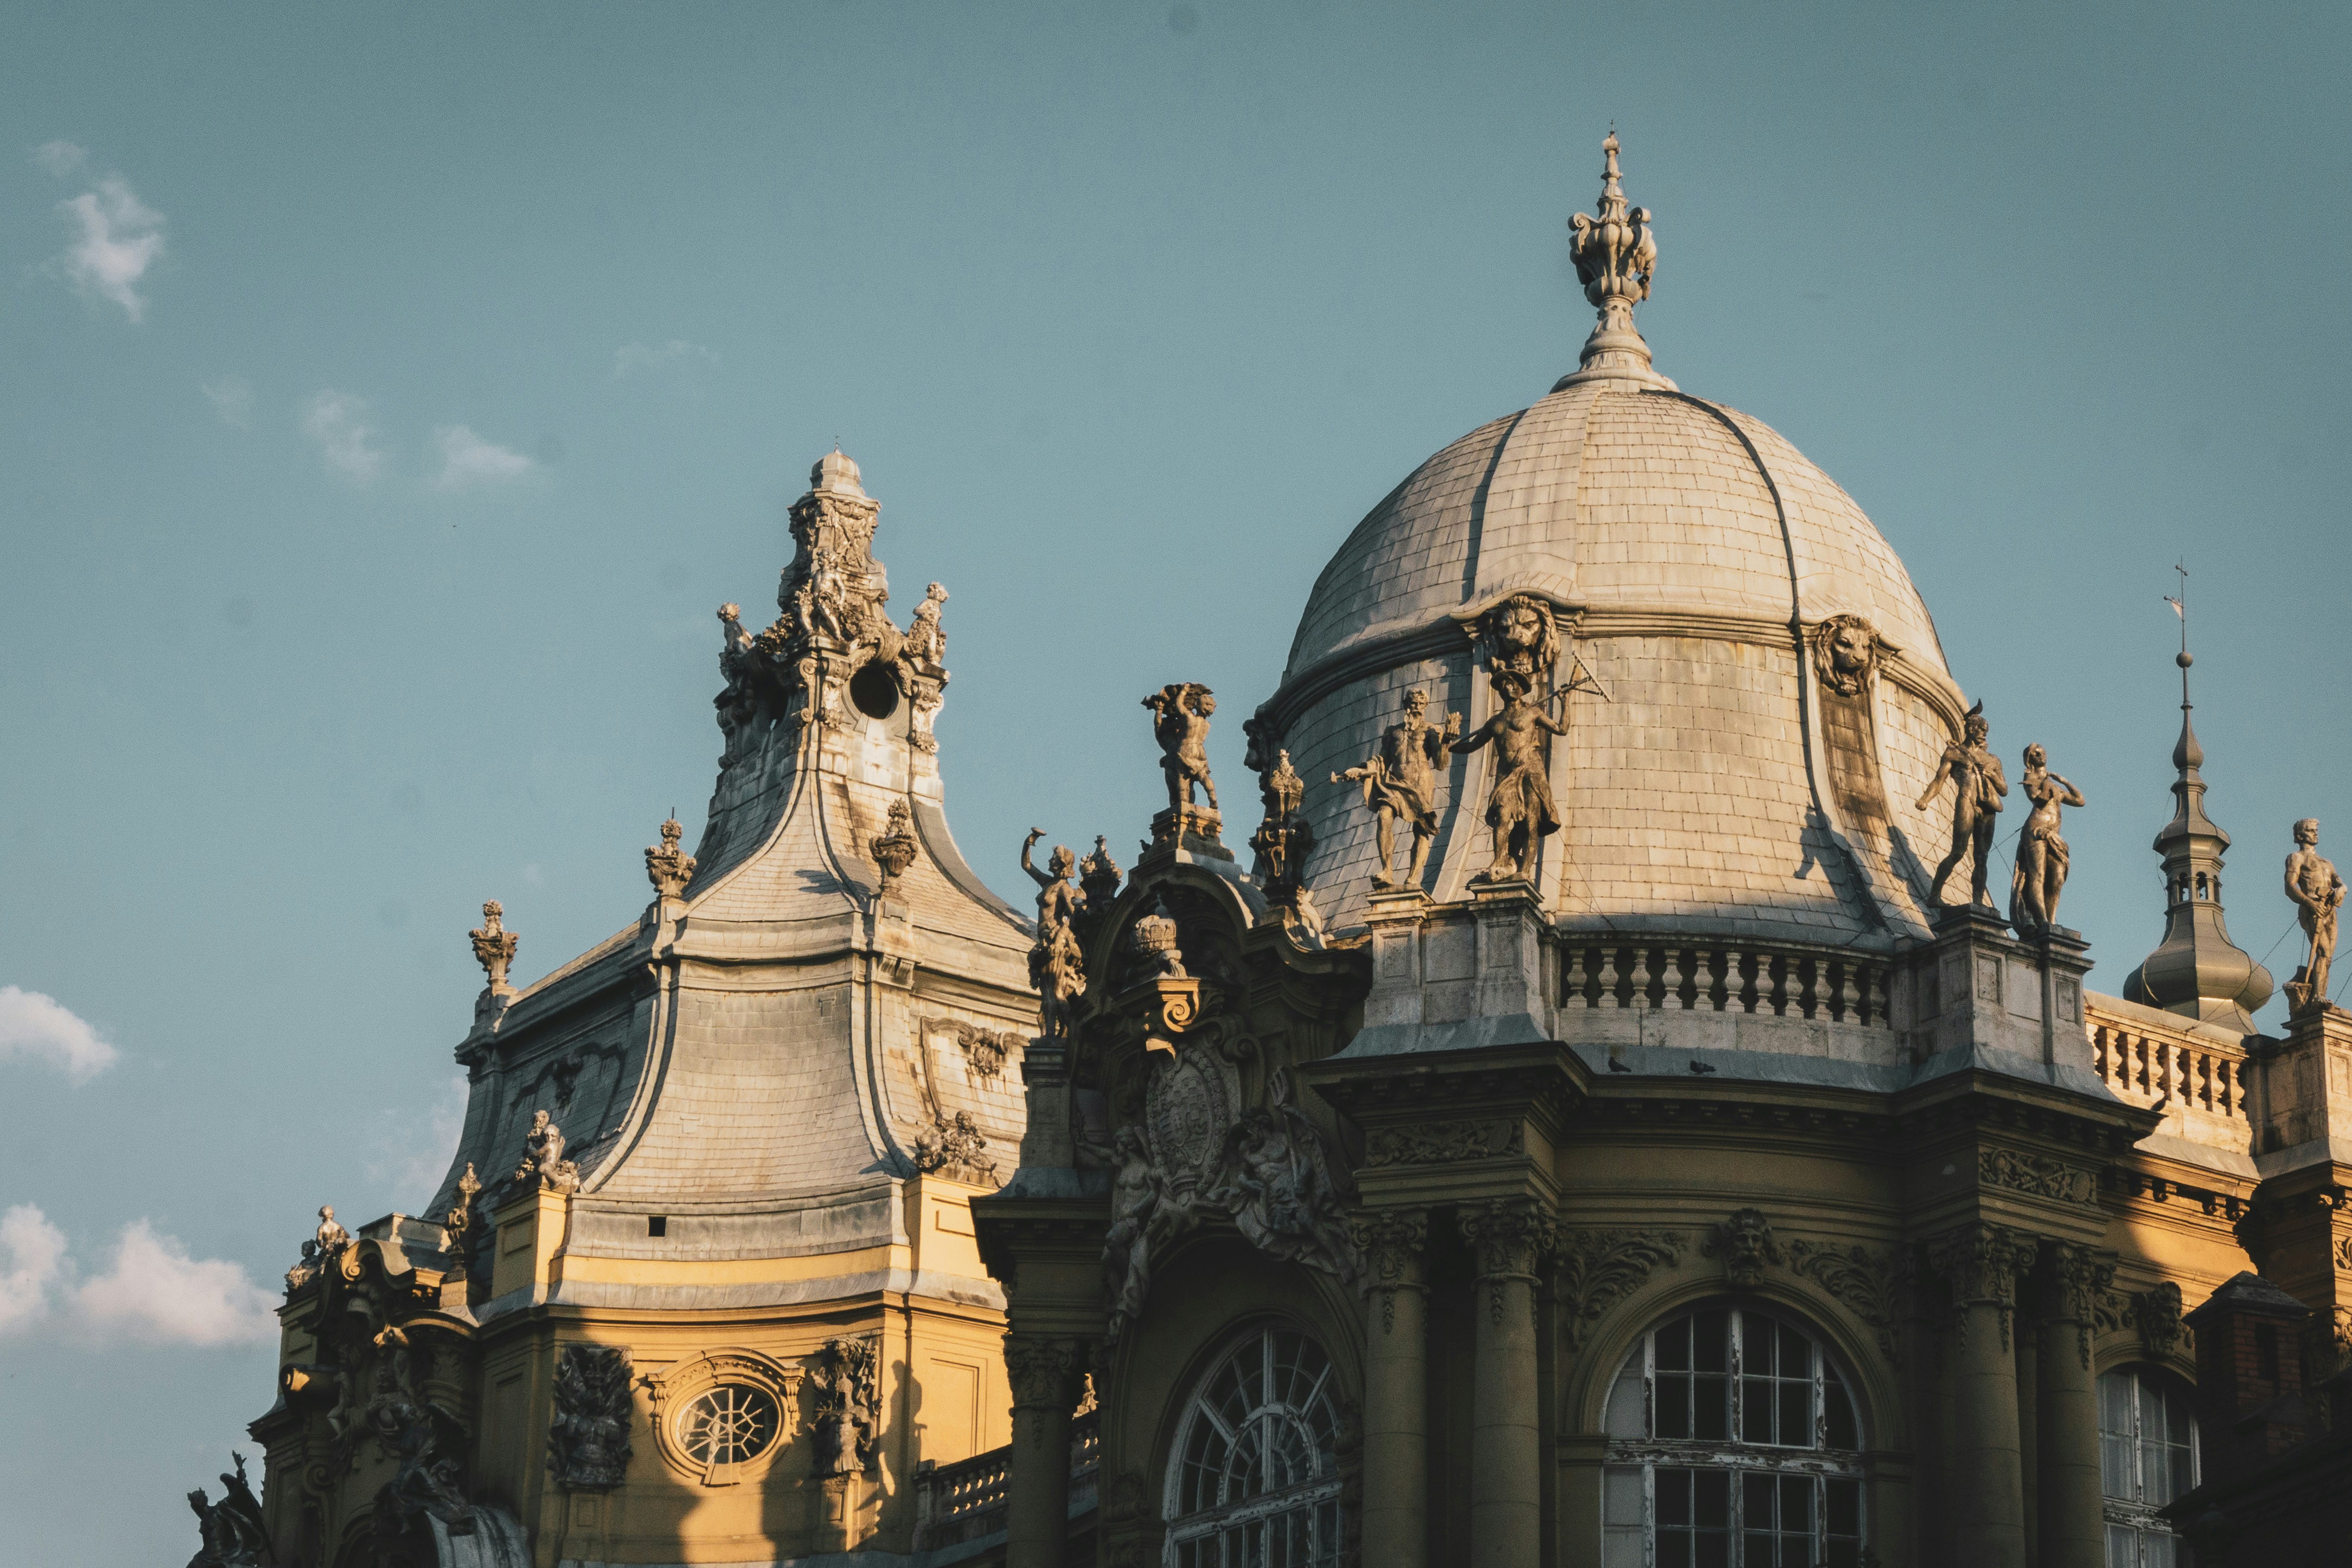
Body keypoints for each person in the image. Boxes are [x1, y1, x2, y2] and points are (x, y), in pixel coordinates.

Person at [1333, 689, 1462, 889]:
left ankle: (1413, 877)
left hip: (1421, 784)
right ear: (1405, 704)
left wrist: (1446, 740)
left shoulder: (1431, 730)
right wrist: (1360, 771)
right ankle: (1387, 871)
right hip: (1394, 783)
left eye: (1420, 704)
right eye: (1413, 703)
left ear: (1425, 706)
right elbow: (1382, 761)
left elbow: (1441, 764)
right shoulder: (1392, 731)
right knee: (1384, 816)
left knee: (1421, 830)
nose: (1416, 707)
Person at [1449, 670, 1567, 884]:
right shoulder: (1495, 722)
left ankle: (1525, 871)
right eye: (1507, 685)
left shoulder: (1533, 713)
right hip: (1506, 775)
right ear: (1501, 690)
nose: (1512, 688)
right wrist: (1448, 743)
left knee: (1531, 823)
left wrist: (1565, 703)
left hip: (1531, 771)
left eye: (1516, 685)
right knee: (1502, 817)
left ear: (1522, 690)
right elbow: (1471, 746)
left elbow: (1561, 729)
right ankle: (1498, 860)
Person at [1919, 702, 2007, 909]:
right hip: (1966, 802)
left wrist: (1992, 774)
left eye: (1986, 732)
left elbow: (2004, 790)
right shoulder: (1954, 753)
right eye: (1982, 730)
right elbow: (1938, 780)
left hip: (1988, 809)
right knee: (1958, 852)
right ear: (1971, 729)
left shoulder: (1993, 760)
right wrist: (1925, 799)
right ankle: (1935, 895)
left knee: (1982, 858)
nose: (1985, 735)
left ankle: (1978, 904)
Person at [2009, 744, 2084, 933]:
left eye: (2041, 751)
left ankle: (2051, 920)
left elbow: (2080, 801)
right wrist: (2048, 786)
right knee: (2038, 875)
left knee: (2057, 878)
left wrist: (2064, 781)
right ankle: (2042, 921)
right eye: (2034, 753)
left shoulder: (2055, 786)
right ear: (2029, 759)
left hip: (2054, 836)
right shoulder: (2030, 777)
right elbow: (2036, 798)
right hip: (2036, 831)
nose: (2039, 754)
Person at [2284, 818, 2345, 1012]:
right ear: (2301, 836)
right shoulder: (2297, 857)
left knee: (2328, 958)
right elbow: (2289, 886)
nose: (2315, 834)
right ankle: (2318, 996)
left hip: (2330, 910)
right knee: (2323, 952)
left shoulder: (2326, 862)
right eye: (2311, 831)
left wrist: (2343, 889)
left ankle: (2321, 995)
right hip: (2312, 909)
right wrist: (2310, 903)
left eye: (2316, 830)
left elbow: (2338, 882)